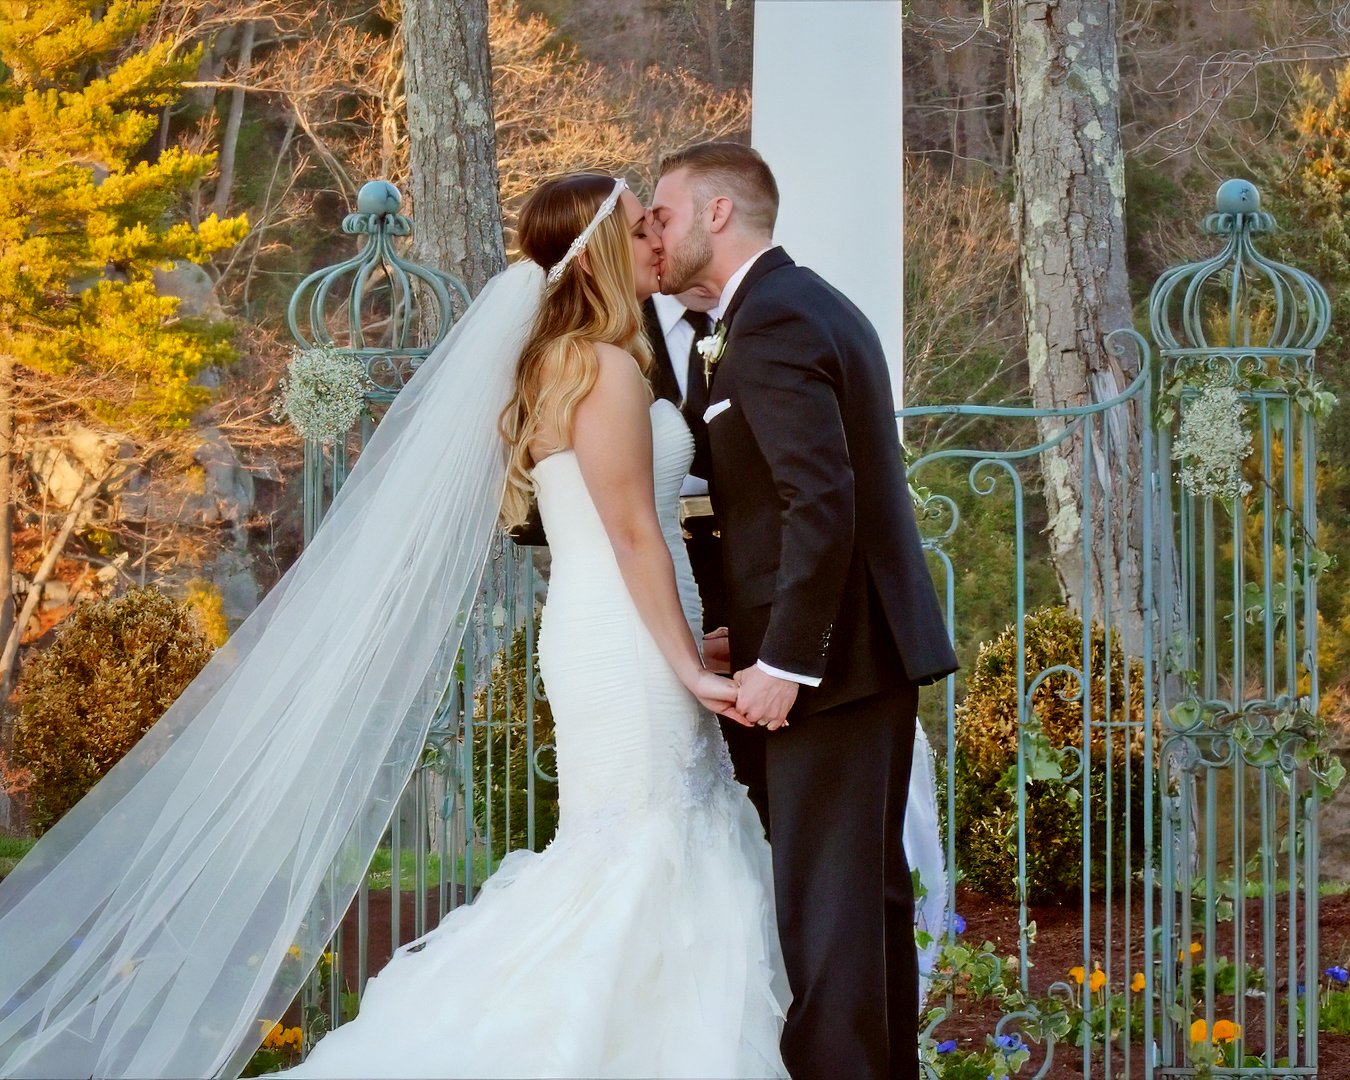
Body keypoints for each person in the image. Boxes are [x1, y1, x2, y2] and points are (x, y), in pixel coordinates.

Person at [0, 174, 787, 1079]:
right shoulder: (600, 367)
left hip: (620, 630)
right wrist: (686, 669)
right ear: (603, 249)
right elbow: (633, 533)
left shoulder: (567, 362)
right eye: (640, 225)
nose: (658, 236)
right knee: (641, 851)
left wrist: (690, 645)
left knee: (642, 848)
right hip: (623, 641)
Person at [650, 141, 960, 1080]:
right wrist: (742, 630)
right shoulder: (781, 309)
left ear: (717, 213)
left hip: (833, 663)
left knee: (827, 919)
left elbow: (820, 501)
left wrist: (784, 661)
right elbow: (771, 508)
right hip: (855, 653)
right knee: (860, 911)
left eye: (662, 215)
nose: (653, 236)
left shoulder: (776, 318)